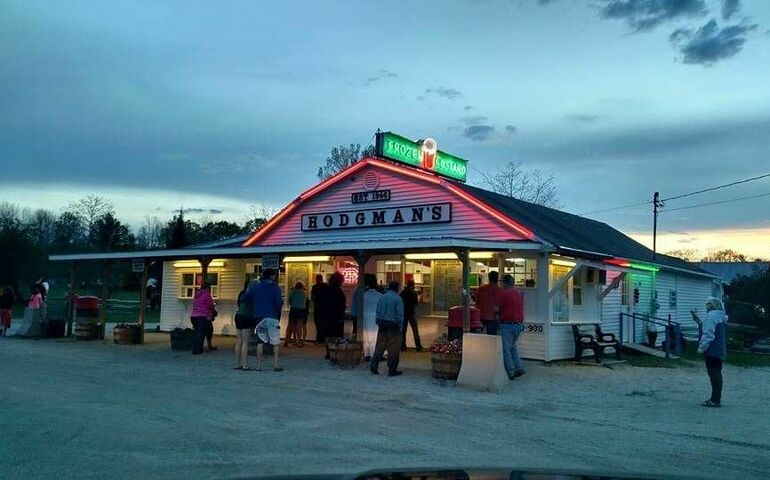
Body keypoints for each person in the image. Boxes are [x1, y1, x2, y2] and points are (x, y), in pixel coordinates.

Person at [242, 268, 284, 371]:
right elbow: (279, 302)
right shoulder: (275, 287)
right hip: (272, 316)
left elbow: (244, 298)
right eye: (274, 275)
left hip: (259, 317)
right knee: (275, 341)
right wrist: (277, 310)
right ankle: (276, 365)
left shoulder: (256, 287)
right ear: (271, 276)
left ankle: (259, 366)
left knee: (260, 341)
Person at [693, 297, 728, 407]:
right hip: (719, 349)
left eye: (707, 304)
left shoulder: (712, 316)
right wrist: (698, 321)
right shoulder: (720, 316)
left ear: (712, 305)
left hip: (712, 349)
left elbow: (708, 334)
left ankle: (714, 400)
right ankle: (716, 398)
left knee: (713, 374)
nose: (706, 306)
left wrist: (701, 348)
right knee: (717, 372)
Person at [370, 281, 405, 376]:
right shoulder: (398, 299)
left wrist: (378, 321)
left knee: (379, 347)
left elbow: (378, 310)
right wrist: (401, 326)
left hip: (382, 324)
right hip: (393, 325)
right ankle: (392, 369)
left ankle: (374, 366)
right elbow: (400, 314)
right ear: (397, 288)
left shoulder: (382, 297)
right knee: (393, 348)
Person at [495, 274, 525, 380]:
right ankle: (519, 367)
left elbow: (496, 309)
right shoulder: (519, 293)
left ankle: (510, 371)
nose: (501, 284)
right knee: (513, 346)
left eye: (501, 282)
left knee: (506, 349)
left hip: (507, 324)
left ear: (505, 283)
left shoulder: (504, 294)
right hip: (519, 324)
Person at [350, 274, 382, 360]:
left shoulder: (360, 291)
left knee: (362, 334)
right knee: (373, 335)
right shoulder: (378, 295)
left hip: (360, 315)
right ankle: (372, 352)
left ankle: (365, 352)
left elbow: (356, 304)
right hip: (371, 316)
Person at [233, 280, 256, 370]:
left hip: (238, 316)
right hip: (247, 317)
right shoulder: (252, 295)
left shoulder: (241, 293)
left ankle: (237, 363)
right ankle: (245, 364)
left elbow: (239, 304)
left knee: (239, 341)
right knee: (245, 342)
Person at [190, 283, 216, 355]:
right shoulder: (207, 295)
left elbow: (195, 304)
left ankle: (194, 349)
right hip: (201, 316)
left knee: (196, 333)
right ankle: (198, 350)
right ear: (207, 288)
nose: (210, 290)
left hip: (193, 316)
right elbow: (210, 305)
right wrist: (212, 309)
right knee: (201, 334)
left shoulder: (197, 295)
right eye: (209, 288)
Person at [476, 271, 502, 335]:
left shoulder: (481, 289)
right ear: (497, 279)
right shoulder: (500, 290)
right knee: (492, 337)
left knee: (477, 336)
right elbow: (501, 305)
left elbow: (477, 301)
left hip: (481, 315)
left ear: (489, 278)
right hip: (493, 317)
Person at [322, 272, 347, 341]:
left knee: (328, 335)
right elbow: (342, 306)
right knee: (336, 337)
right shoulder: (340, 293)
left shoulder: (326, 290)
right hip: (337, 318)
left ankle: (328, 350)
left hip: (327, 317)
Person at [400, 279, 423, 352]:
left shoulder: (403, 292)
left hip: (404, 313)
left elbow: (400, 300)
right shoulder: (414, 293)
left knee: (403, 331)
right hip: (411, 313)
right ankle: (418, 347)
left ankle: (403, 346)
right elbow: (416, 304)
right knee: (415, 330)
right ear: (413, 284)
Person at [286, 281, 307, 347]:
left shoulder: (292, 293)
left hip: (293, 310)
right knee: (299, 326)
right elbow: (305, 302)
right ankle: (299, 341)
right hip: (301, 310)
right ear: (302, 287)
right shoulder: (304, 294)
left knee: (291, 325)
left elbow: (289, 301)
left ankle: (288, 340)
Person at [310, 274, 329, 344]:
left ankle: (319, 339)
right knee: (324, 324)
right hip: (325, 309)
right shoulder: (326, 286)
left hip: (317, 308)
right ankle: (324, 339)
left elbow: (312, 297)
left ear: (317, 279)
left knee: (318, 324)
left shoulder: (315, 287)